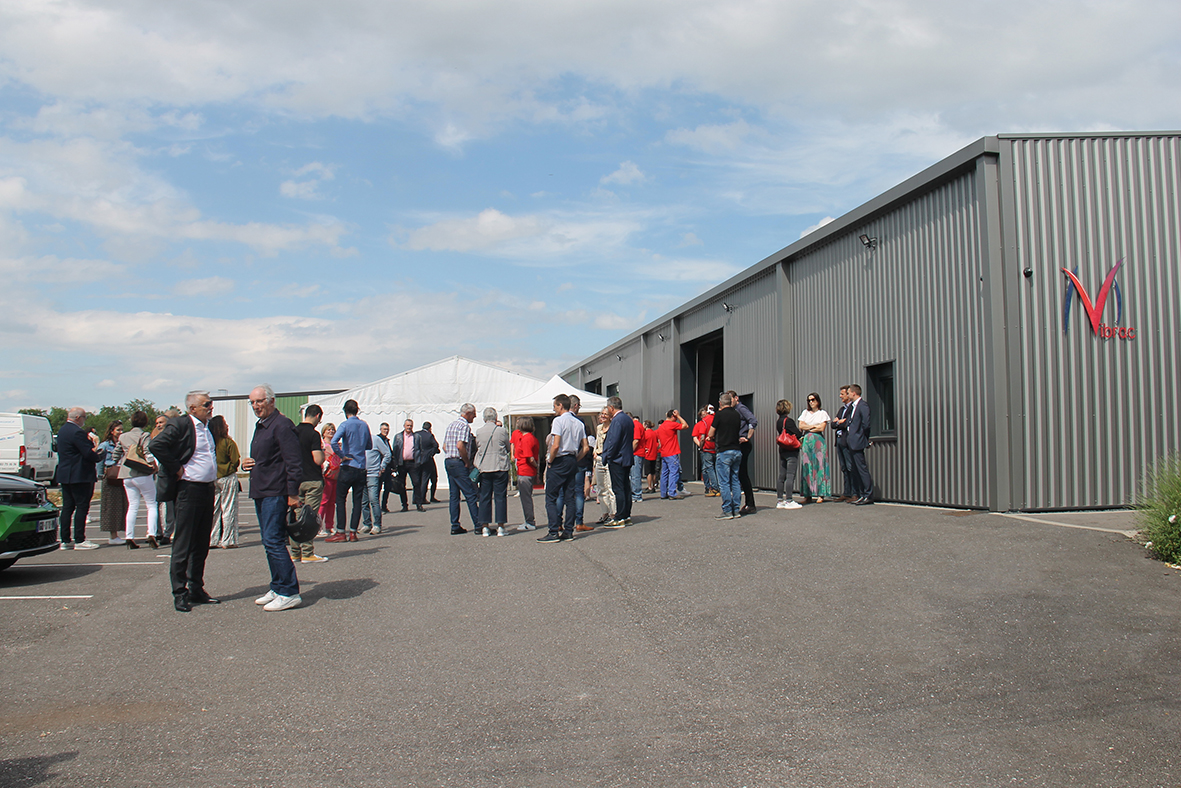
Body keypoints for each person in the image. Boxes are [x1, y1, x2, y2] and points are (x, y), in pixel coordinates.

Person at [150, 391, 220, 612]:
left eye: (211, 403)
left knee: (201, 543)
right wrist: (176, 467)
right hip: (188, 490)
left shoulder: (207, 428)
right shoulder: (181, 424)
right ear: (192, 408)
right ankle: (179, 593)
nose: (210, 407)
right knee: (183, 543)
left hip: (206, 489)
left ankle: (196, 588)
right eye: (206, 404)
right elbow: (156, 445)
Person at [241, 385, 302, 612]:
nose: (256, 406)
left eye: (260, 401)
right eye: (253, 403)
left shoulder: (282, 425)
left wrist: (293, 493)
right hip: (261, 489)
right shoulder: (262, 426)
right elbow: (266, 458)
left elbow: (294, 461)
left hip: (275, 492)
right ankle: (277, 586)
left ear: (271, 401)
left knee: (274, 541)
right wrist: (247, 463)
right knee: (268, 542)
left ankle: (289, 591)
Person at [537, 394, 589, 543]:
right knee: (570, 496)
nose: (554, 409)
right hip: (572, 458)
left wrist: (550, 460)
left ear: (561, 405)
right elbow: (585, 448)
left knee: (551, 497)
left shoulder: (558, 421)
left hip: (559, 459)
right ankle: (568, 531)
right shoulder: (579, 423)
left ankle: (553, 531)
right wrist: (575, 459)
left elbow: (556, 444)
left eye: (555, 406)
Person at [57, 407, 105, 550]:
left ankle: (65, 540)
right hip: (80, 474)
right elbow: (88, 453)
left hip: (65, 473)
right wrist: (99, 455)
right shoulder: (77, 432)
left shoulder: (63, 430)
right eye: (84, 417)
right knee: (82, 506)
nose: (84, 421)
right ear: (78, 417)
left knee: (67, 507)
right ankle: (80, 540)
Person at [327, 399, 370, 543]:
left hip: (348, 465)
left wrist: (341, 455)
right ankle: (353, 532)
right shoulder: (364, 425)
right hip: (361, 466)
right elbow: (369, 445)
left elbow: (334, 442)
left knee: (340, 499)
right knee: (357, 500)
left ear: (346, 411)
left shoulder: (345, 424)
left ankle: (340, 531)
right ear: (357, 410)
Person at [292, 405, 328, 563]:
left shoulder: (293, 431)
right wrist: (324, 454)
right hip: (312, 480)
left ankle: (295, 552)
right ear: (318, 416)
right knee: (309, 516)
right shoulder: (313, 434)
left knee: (296, 516)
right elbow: (317, 459)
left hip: (295, 480)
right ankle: (307, 552)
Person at [118, 410, 156, 550]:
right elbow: (147, 452)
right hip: (142, 472)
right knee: (151, 504)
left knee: (132, 505)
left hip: (126, 473)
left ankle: (129, 536)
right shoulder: (144, 435)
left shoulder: (123, 436)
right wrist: (153, 465)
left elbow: (117, 453)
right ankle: (151, 533)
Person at [443, 404, 482, 535]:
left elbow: (444, 446)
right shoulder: (464, 426)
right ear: (468, 414)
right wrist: (466, 461)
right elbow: (460, 445)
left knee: (454, 495)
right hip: (458, 462)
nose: (475, 416)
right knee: (470, 494)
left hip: (449, 460)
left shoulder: (451, 425)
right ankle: (478, 524)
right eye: (474, 414)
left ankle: (455, 525)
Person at [474, 407, 511, 537]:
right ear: (495, 418)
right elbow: (507, 446)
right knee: (500, 497)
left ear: (484, 418)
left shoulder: (479, 431)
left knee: (484, 497)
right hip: (500, 466)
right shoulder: (501, 431)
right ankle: (501, 526)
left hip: (485, 467)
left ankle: (485, 526)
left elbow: (478, 446)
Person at [599, 396, 634, 528]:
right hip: (626, 457)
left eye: (608, 408)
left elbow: (614, 441)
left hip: (617, 459)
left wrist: (608, 456)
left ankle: (620, 517)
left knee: (618, 488)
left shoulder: (617, 420)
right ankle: (626, 515)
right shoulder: (627, 419)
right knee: (625, 488)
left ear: (611, 407)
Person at [708, 393, 744, 520]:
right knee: (735, 480)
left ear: (720, 403)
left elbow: (711, 432)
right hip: (736, 450)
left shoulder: (719, 415)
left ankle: (727, 510)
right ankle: (736, 509)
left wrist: (711, 436)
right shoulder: (737, 415)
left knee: (724, 482)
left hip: (724, 451)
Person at [208, 415, 241, 549]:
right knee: (228, 508)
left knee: (214, 510)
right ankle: (228, 539)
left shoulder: (210, 443)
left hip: (213, 477)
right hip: (227, 477)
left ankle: (213, 539)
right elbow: (235, 461)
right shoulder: (228, 442)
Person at [727, 390, 759, 514]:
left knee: (742, 474)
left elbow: (753, 420)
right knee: (740, 474)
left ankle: (750, 504)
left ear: (736, 398)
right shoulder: (734, 410)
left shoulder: (741, 408)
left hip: (743, 444)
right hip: (737, 444)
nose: (730, 402)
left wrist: (747, 436)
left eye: (731, 399)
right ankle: (747, 503)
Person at [97, 421, 129, 545]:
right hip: (111, 477)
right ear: (112, 431)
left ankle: (121, 533)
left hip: (122, 476)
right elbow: (100, 462)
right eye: (118, 430)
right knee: (111, 507)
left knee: (122, 505)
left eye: (122, 430)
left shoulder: (123, 443)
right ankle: (113, 535)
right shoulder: (105, 445)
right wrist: (101, 475)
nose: (121, 432)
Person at [797, 392, 832, 504]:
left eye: (813, 400)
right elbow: (801, 426)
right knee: (807, 466)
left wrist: (809, 427)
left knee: (820, 465)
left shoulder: (822, 413)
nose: (811, 402)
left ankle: (821, 494)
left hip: (818, 441)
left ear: (818, 400)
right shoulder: (805, 413)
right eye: (809, 400)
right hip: (807, 441)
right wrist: (813, 426)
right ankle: (807, 494)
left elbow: (822, 428)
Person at [846, 384, 875, 505]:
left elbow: (866, 424)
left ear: (854, 393)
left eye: (848, 393)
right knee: (855, 469)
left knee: (861, 468)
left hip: (857, 441)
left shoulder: (863, 406)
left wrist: (863, 438)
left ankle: (868, 494)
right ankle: (862, 494)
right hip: (852, 441)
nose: (847, 395)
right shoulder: (853, 407)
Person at [510, 416, 540, 531]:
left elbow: (530, 457)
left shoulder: (527, 439)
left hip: (525, 471)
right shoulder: (529, 438)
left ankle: (530, 522)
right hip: (525, 470)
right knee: (526, 496)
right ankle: (529, 521)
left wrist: (535, 467)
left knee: (526, 498)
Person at [151, 413, 176, 545]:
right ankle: (157, 531)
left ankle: (168, 532)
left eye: (161, 422)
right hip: (156, 474)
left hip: (167, 474)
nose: (159, 425)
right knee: (155, 503)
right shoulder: (154, 437)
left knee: (169, 505)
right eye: (157, 423)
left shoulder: (172, 438)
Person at [774, 400, 804, 510]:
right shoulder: (789, 421)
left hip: (782, 449)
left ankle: (780, 500)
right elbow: (798, 433)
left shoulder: (779, 421)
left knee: (782, 475)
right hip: (791, 450)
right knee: (790, 475)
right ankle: (789, 500)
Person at [361, 424, 390, 535]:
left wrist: (382, 467)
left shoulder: (375, 439)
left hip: (373, 474)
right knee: (364, 502)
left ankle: (377, 524)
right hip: (361, 473)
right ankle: (367, 523)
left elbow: (387, 453)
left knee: (373, 499)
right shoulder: (357, 440)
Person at [830, 386, 857, 502]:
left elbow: (847, 424)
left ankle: (855, 493)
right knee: (844, 467)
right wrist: (839, 423)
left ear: (848, 395)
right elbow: (833, 425)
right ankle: (846, 492)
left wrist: (840, 423)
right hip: (839, 440)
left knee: (851, 466)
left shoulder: (852, 408)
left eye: (842, 394)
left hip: (847, 440)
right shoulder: (842, 409)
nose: (840, 396)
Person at [655, 409, 689, 499]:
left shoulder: (661, 426)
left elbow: (656, 437)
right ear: (673, 416)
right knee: (673, 472)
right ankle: (672, 492)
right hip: (672, 452)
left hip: (664, 452)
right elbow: (685, 425)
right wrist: (678, 416)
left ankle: (663, 493)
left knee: (664, 473)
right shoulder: (672, 424)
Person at [589, 410, 614, 528]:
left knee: (610, 487)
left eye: (605, 414)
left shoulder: (613, 427)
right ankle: (604, 513)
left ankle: (613, 514)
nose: (602, 416)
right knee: (600, 487)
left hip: (608, 458)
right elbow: (597, 442)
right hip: (599, 458)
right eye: (601, 414)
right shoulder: (599, 428)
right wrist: (595, 452)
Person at [389, 419, 419, 512]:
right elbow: (395, 450)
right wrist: (395, 464)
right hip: (402, 463)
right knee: (402, 485)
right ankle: (404, 505)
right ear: (404, 426)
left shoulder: (416, 436)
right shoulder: (398, 436)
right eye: (407, 425)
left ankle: (419, 503)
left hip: (413, 463)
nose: (409, 427)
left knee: (417, 483)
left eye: (410, 425)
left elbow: (419, 449)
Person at [318, 423, 340, 534]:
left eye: (333, 430)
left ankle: (329, 525)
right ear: (324, 432)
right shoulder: (322, 445)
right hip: (326, 475)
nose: (331, 431)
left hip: (335, 476)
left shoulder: (336, 445)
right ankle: (318, 526)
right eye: (329, 430)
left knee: (332, 502)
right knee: (324, 502)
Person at [419, 421, 441, 503]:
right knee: (431, 478)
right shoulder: (429, 435)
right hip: (428, 459)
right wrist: (431, 452)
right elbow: (436, 445)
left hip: (418, 459)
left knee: (419, 479)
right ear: (429, 428)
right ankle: (430, 497)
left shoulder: (416, 434)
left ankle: (417, 497)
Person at [375, 422, 395, 512]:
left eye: (387, 429)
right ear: (380, 429)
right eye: (384, 429)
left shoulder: (387, 441)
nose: (386, 431)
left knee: (388, 487)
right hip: (380, 467)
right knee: (378, 488)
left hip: (387, 468)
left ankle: (384, 506)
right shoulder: (378, 439)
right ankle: (377, 507)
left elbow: (390, 454)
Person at [629, 414, 645, 503]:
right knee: (634, 475)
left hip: (636, 453)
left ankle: (637, 495)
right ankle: (635, 494)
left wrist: (629, 452)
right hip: (638, 453)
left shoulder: (635, 425)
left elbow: (636, 440)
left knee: (635, 475)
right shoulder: (637, 425)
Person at [640, 419, 659, 494]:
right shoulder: (654, 433)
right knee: (653, 471)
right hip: (654, 453)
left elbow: (642, 443)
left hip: (648, 454)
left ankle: (649, 486)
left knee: (648, 472)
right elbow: (658, 443)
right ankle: (654, 486)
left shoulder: (645, 434)